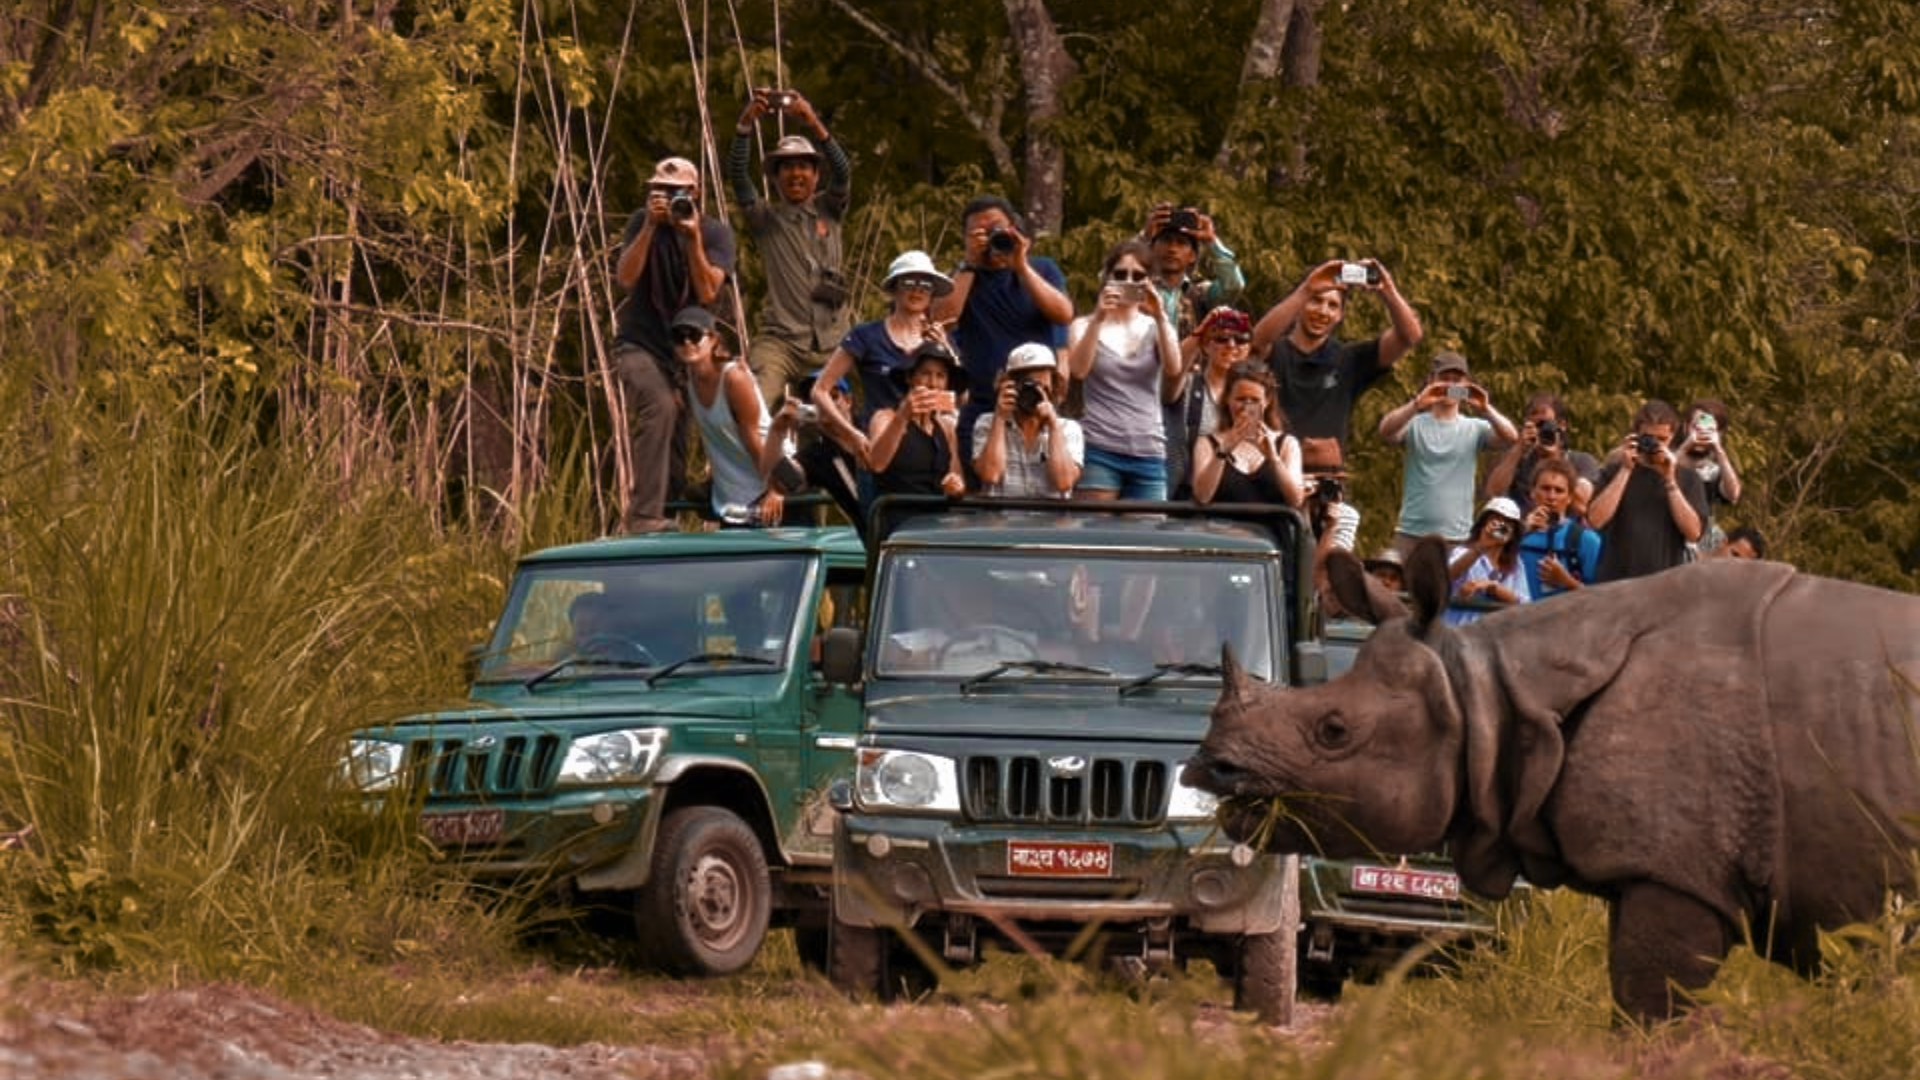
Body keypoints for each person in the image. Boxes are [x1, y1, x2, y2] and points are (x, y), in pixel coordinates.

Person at [610, 156, 737, 534]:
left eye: (674, 192)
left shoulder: (715, 233)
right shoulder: (641, 221)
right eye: (658, 191)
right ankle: (643, 516)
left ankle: (673, 509)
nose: (665, 198)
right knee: (661, 406)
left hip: (688, 348)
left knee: (683, 439)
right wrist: (650, 225)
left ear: (695, 192)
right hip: (639, 343)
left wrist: (692, 236)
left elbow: (708, 290)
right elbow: (626, 279)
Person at [726, 89, 854, 409]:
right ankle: (739, 459)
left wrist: (813, 121)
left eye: (803, 167)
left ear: (815, 174)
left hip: (833, 342)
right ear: (776, 177)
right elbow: (739, 177)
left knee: (843, 415)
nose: (796, 173)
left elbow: (843, 172)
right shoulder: (765, 219)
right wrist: (744, 126)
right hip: (782, 340)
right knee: (750, 405)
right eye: (787, 167)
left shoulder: (830, 209)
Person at [931, 195, 1074, 461]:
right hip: (983, 404)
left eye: (996, 228)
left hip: (1036, 404)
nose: (990, 237)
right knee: (980, 492)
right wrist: (970, 262)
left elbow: (1064, 314)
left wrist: (1020, 266)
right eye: (979, 232)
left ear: (1014, 227)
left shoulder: (1040, 268)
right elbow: (940, 319)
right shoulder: (963, 277)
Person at [1251, 257, 1424, 475]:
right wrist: (1307, 288)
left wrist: (1387, 289)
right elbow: (1256, 341)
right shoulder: (1276, 351)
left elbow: (1410, 336)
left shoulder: (1349, 360)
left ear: (1340, 315)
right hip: (1272, 474)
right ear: (1300, 303)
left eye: (1332, 305)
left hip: (1325, 481)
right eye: (1315, 300)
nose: (1322, 311)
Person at [1066, 240, 1184, 501]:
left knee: (1147, 537)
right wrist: (1098, 317)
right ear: (1107, 277)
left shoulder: (1155, 327)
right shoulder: (1083, 325)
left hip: (1149, 450)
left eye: (1138, 276)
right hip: (1099, 447)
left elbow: (1174, 367)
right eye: (1120, 274)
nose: (1128, 281)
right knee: (1096, 534)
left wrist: (1161, 314)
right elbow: (1078, 371)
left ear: (1150, 281)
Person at [810, 250, 951, 464]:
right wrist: (851, 433)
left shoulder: (938, 341)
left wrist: (946, 349)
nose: (917, 290)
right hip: (878, 448)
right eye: (909, 281)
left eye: (926, 285)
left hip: (928, 452)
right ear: (894, 288)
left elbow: (960, 398)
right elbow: (820, 390)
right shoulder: (866, 335)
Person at [1377, 352, 1517, 557]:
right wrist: (1417, 403)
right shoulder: (1415, 423)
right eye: (1444, 379)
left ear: (1466, 384)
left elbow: (1511, 437)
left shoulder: (1474, 427)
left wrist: (1486, 408)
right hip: (1410, 534)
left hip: (1457, 537)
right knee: (1399, 587)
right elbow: (1385, 431)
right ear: (1431, 380)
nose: (1450, 385)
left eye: (1456, 380)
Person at [673, 308, 784, 525]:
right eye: (679, 337)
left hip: (771, 473)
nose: (687, 342)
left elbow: (753, 439)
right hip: (733, 493)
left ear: (713, 339)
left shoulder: (734, 378)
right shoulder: (688, 380)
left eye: (694, 335)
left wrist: (776, 488)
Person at [1586, 399, 1710, 581]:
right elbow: (1595, 520)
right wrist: (1626, 469)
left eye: (1662, 439)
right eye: (1649, 438)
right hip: (1614, 585)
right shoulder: (1614, 471)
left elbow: (1693, 533)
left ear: (1672, 436)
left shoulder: (1688, 479)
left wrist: (1670, 481)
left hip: (1661, 588)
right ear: (1635, 435)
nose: (1655, 445)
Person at [972, 343, 1084, 498]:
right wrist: (999, 418)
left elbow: (1064, 482)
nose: (1036, 394)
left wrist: (1053, 427)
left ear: (1053, 385)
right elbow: (991, 475)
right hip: (1001, 519)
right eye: (1029, 388)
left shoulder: (1068, 428)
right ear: (1009, 385)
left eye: (1043, 388)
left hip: (1050, 520)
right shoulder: (986, 423)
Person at [1165, 307, 1254, 500]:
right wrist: (1200, 331)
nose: (1231, 345)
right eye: (1221, 338)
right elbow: (1172, 371)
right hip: (1188, 495)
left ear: (1249, 347)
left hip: (1238, 494)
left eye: (1240, 339)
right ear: (1206, 346)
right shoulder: (1187, 385)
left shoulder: (1255, 392)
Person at [1190, 363, 1304, 507]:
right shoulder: (1206, 443)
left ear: (1267, 402)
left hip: (1270, 528)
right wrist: (1223, 451)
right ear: (1227, 400)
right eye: (1240, 399)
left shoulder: (1287, 444)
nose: (1247, 407)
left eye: (1255, 400)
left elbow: (1296, 500)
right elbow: (1202, 497)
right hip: (1220, 527)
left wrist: (1274, 459)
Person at [761, 370, 863, 527]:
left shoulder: (873, 425)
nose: (825, 404)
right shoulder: (818, 454)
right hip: (876, 539)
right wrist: (777, 431)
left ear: (848, 400)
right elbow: (784, 483)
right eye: (816, 400)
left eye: (833, 396)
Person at [867, 341, 967, 497]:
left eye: (940, 376)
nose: (933, 384)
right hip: (898, 514)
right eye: (925, 374)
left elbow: (957, 476)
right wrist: (903, 416)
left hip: (938, 514)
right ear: (909, 377)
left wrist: (955, 486)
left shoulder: (946, 427)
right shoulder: (884, 417)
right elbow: (876, 464)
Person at [1482, 391, 1602, 512]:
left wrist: (1554, 458)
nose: (1541, 430)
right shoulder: (1518, 460)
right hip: (1526, 528)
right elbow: (1493, 494)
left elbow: (1580, 503)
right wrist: (1518, 448)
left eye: (1546, 424)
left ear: (1562, 425)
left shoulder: (1581, 461)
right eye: (1536, 425)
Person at [1141, 202, 1245, 340]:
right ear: (1152, 248)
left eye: (1181, 243)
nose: (1172, 249)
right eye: (1166, 241)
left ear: (1193, 256)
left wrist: (1211, 241)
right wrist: (1143, 238)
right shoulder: (1138, 287)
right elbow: (1113, 278)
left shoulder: (1200, 293)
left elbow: (1233, 285)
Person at [1516, 458, 1603, 599]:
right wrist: (1521, 532)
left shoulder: (1586, 540)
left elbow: (1602, 598)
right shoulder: (1513, 535)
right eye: (1545, 488)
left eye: (1559, 490)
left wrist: (1566, 581)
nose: (1551, 497)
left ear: (1569, 497)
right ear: (1532, 492)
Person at [1444, 497, 1530, 627]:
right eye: (1495, 520)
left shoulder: (1516, 564)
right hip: (1459, 632)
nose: (1501, 526)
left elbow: (1525, 605)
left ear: (1513, 533)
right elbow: (1446, 577)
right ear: (1483, 524)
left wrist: (1493, 588)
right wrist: (1481, 547)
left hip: (1496, 637)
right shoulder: (1463, 553)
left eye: (1508, 522)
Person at [1674, 398, 1742, 552]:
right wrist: (1686, 446)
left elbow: (1733, 495)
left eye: (1709, 428)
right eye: (1696, 426)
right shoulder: (1669, 456)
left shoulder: (1714, 469)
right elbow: (1662, 472)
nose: (1702, 432)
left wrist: (1719, 450)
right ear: (1685, 427)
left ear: (1720, 432)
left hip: (1701, 545)